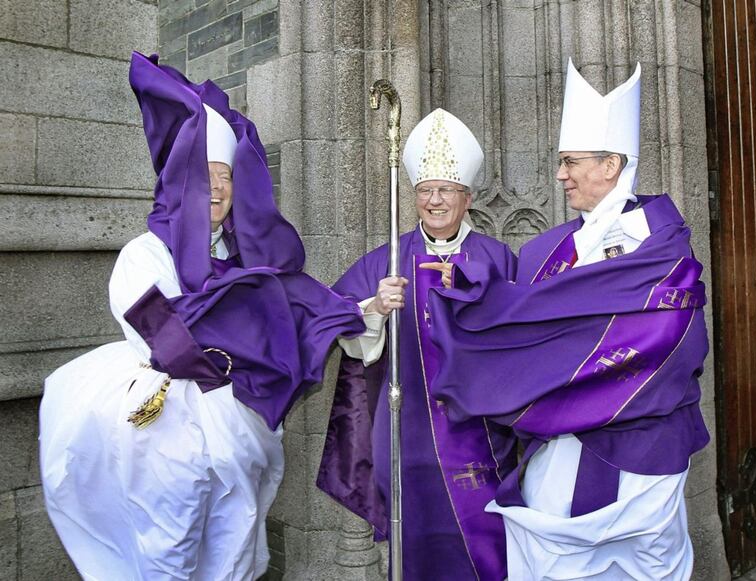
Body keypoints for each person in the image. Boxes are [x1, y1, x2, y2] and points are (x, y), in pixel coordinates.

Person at [39, 52, 364, 581]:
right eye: (204, 176)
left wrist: (359, 310)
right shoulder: (145, 254)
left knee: (236, 535)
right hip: (168, 425)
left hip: (238, 422)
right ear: (179, 185)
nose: (216, 188)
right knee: (172, 540)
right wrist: (245, 336)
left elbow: (301, 311)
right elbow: (162, 334)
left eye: (225, 177)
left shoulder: (247, 262)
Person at [426, 60, 710, 580]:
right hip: (557, 451)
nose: (560, 175)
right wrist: (469, 302)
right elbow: (521, 324)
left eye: (570, 161)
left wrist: (558, 366)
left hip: (641, 453)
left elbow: (673, 343)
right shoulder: (547, 249)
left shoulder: (664, 249)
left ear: (611, 164)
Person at [317, 109, 517, 580]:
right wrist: (373, 309)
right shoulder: (389, 256)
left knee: (486, 538)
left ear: (467, 198)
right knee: (414, 538)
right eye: (426, 190)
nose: (434, 200)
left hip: (479, 431)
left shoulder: (498, 257)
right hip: (404, 429)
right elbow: (331, 320)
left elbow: (520, 338)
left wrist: (478, 300)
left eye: (446, 190)